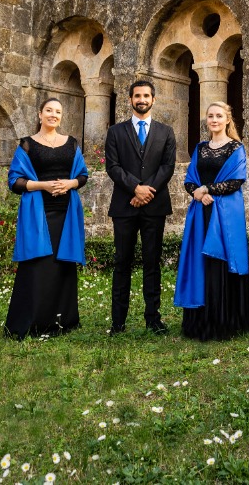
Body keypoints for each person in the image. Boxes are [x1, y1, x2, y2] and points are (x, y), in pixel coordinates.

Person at [4, 97, 88, 339]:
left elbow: (82, 175)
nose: (53, 115)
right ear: (40, 114)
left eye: (58, 112)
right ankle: (32, 322)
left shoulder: (71, 144)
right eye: (49, 110)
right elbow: (15, 181)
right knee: (37, 266)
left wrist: (70, 183)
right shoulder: (27, 145)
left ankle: (63, 321)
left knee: (62, 266)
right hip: (38, 214)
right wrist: (44, 186)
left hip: (66, 213)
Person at [174, 101, 249, 341]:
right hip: (202, 212)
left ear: (228, 119)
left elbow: (236, 181)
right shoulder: (200, 149)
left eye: (219, 116)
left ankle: (224, 323)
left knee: (221, 261)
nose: (214, 120)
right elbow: (189, 180)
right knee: (202, 264)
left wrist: (206, 188)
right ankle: (201, 321)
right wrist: (197, 192)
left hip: (226, 214)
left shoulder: (236, 148)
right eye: (210, 116)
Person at [105, 80, 176, 334]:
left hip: (154, 207)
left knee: (152, 262)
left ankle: (153, 318)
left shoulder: (166, 131)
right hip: (124, 207)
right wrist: (135, 188)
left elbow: (167, 167)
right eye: (137, 96)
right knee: (122, 262)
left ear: (153, 99)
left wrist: (147, 193)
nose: (142, 99)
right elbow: (112, 167)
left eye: (146, 95)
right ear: (130, 100)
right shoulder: (115, 132)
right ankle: (118, 322)